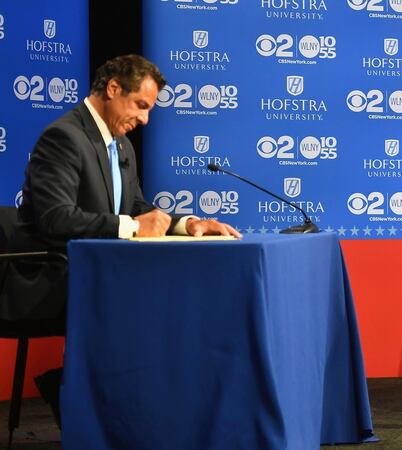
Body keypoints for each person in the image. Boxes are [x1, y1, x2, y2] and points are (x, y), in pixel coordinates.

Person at [6, 54, 241, 426]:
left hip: (101, 271)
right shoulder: (64, 137)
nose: (145, 119)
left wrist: (188, 224)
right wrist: (131, 228)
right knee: (152, 296)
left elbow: (137, 207)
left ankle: (139, 410)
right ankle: (90, 397)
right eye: (141, 106)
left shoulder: (120, 143)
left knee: (175, 291)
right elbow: (55, 219)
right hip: (53, 273)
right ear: (113, 89)